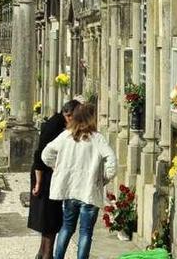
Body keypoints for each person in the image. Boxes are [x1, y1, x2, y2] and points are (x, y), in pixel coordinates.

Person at [42, 103, 117, 259]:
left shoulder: (66, 136)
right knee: (85, 232)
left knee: (66, 228)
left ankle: (58, 257)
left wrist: (57, 167)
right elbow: (112, 162)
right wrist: (103, 178)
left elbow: (46, 154)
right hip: (89, 191)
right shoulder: (97, 138)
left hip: (70, 190)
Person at [29, 99, 81, 259]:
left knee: (49, 217)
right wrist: (38, 183)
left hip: (50, 175)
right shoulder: (55, 125)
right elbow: (39, 155)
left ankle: (42, 253)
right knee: (50, 218)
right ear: (70, 115)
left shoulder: (60, 122)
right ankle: (47, 255)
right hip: (44, 176)